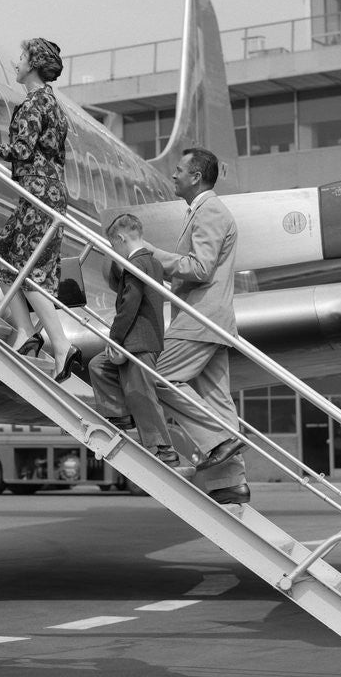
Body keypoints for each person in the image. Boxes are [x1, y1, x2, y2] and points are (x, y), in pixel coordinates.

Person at [0, 38, 80, 383]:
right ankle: (27, 332)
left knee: (28, 272)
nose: (16, 63)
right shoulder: (54, 106)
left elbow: (22, 149)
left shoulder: (34, 104)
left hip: (38, 194)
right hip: (45, 193)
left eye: (21, 58)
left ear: (32, 64)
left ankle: (61, 346)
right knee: (3, 262)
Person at [146, 147, 250, 506]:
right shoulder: (205, 211)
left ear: (195, 177)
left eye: (178, 170)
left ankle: (218, 441)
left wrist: (150, 255)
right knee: (215, 399)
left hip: (200, 319)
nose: (172, 175)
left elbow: (201, 267)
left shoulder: (211, 211)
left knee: (155, 377)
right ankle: (231, 482)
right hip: (210, 320)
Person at [89, 213, 195, 478]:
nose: (115, 253)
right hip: (145, 338)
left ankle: (163, 448)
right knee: (98, 366)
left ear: (121, 238)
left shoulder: (135, 264)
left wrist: (114, 339)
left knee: (142, 394)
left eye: (114, 246)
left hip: (138, 340)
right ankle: (120, 415)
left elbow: (129, 303)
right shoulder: (154, 262)